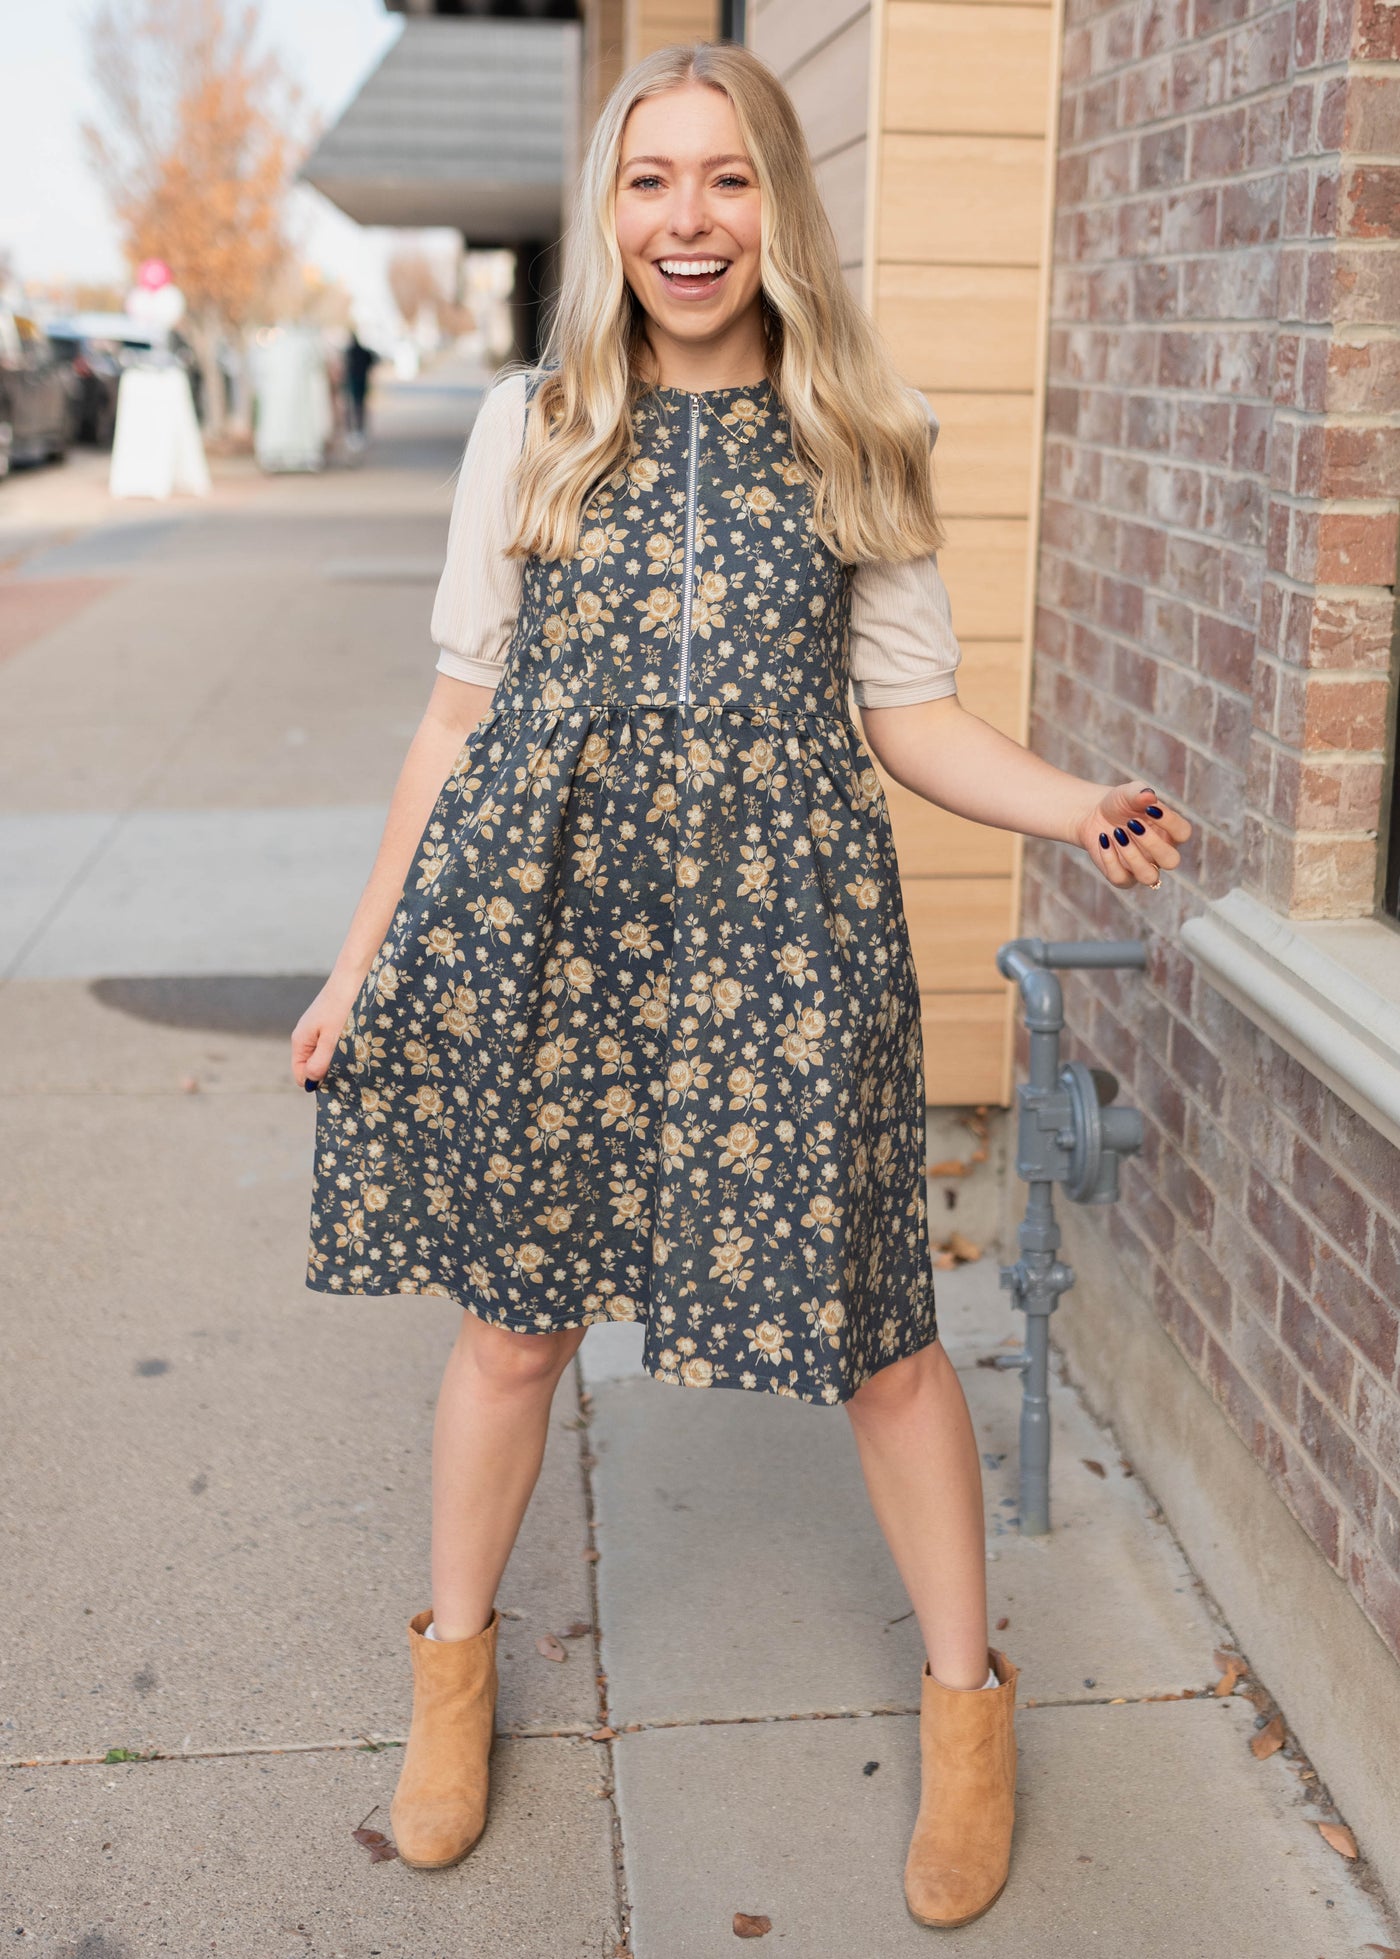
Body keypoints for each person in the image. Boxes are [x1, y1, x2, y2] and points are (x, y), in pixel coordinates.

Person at [290, 40, 1190, 1927]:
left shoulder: (864, 424)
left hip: (793, 942)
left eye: (725, 181)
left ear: (779, 201)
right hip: (560, 935)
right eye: (650, 181)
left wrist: (1072, 797)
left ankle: (969, 1709)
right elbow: (455, 718)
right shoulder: (530, 420)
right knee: (515, 1320)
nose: (686, 221)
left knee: (881, 1330)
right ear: (610, 212)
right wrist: (361, 963)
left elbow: (914, 716)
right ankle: (449, 1687)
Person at [342, 327, 378, 449]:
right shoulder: (360, 351)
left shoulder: (350, 352)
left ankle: (355, 430)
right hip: (360, 381)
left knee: (353, 407)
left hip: (353, 382)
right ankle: (358, 430)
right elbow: (373, 360)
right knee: (359, 406)